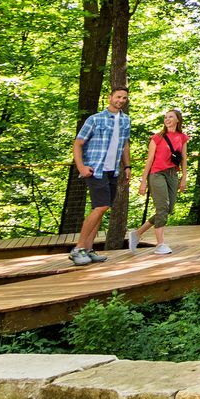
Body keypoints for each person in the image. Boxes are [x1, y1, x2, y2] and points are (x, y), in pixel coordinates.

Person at [69, 86, 131, 266]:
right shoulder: (95, 119)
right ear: (110, 97)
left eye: (124, 98)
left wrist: (127, 166)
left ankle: (88, 249)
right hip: (95, 169)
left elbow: (125, 144)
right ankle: (78, 249)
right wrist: (81, 167)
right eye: (118, 97)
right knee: (101, 206)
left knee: (101, 208)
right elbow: (78, 143)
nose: (121, 100)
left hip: (113, 170)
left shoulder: (125, 120)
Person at [130, 108, 189, 254]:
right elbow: (149, 160)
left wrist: (184, 178)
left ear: (177, 120)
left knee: (168, 209)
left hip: (172, 175)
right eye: (165, 117)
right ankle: (160, 244)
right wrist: (143, 181)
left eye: (170, 117)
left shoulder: (182, 137)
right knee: (162, 208)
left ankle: (137, 233)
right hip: (157, 174)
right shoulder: (157, 138)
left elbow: (184, 159)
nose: (167, 119)